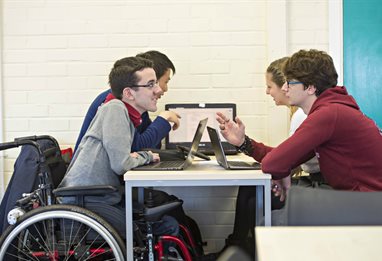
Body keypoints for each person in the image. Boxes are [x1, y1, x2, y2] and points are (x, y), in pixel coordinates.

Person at [217, 49, 382, 194]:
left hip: (366, 205)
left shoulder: (328, 115)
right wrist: (243, 142)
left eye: (290, 83)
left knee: (277, 207)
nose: (284, 88)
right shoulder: (331, 110)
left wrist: (280, 172)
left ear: (310, 87)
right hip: (361, 200)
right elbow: (281, 158)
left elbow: (272, 163)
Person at [59, 56, 178, 237]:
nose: (158, 90)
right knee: (167, 226)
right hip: (87, 200)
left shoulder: (125, 113)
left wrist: (143, 155)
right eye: (151, 84)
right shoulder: (114, 108)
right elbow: (121, 163)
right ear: (129, 93)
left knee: (165, 220)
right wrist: (146, 156)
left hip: (98, 196)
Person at [221, 57, 322, 257]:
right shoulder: (301, 113)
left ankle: (240, 248)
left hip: (320, 185)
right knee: (251, 190)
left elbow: (286, 159)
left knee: (253, 197)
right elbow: (288, 157)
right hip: (314, 181)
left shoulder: (303, 116)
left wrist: (246, 145)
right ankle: (240, 246)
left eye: (269, 86)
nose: (268, 92)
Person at [74, 50, 178, 152]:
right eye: (165, 82)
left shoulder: (138, 106)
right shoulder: (114, 105)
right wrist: (163, 119)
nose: (163, 89)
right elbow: (133, 147)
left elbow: (151, 147)